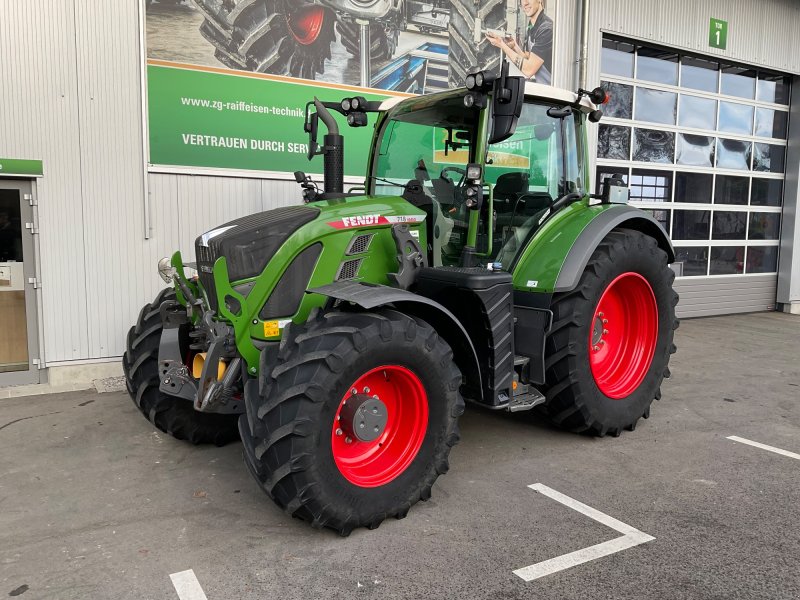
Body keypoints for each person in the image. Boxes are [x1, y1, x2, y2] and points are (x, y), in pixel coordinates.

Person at [485, 0, 553, 85]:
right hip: (543, 86)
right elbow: (528, 58)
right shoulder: (531, 26)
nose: (525, 3)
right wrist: (514, 47)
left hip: (552, 89)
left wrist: (501, 44)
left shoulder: (546, 29)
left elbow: (529, 70)